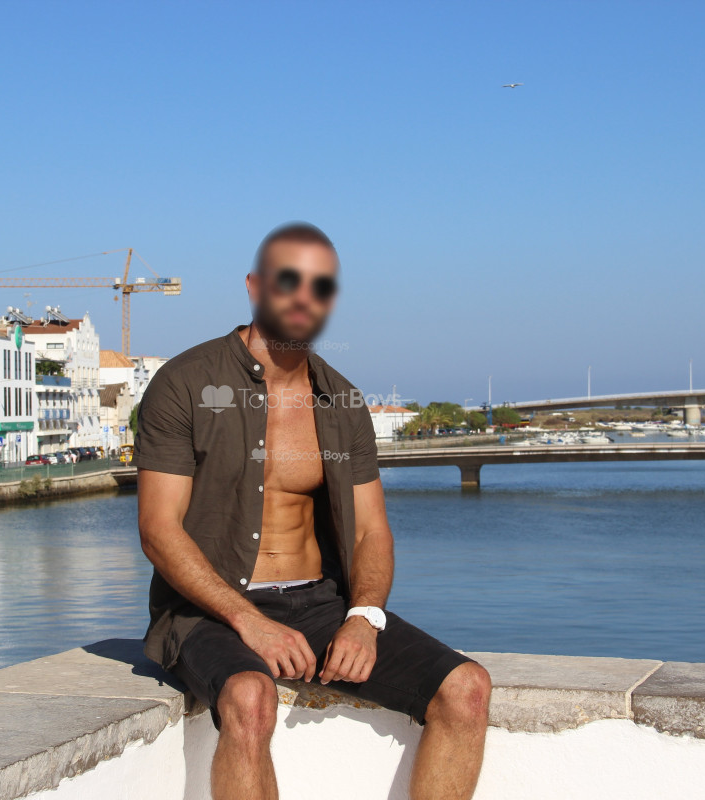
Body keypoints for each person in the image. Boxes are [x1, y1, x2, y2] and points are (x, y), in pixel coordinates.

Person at [133, 222, 491, 799]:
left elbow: (371, 530)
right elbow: (158, 529)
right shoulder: (186, 384)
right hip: (208, 610)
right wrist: (249, 621)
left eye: (320, 286)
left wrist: (364, 617)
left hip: (318, 604)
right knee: (250, 698)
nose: (304, 296)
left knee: (467, 689)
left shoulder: (343, 402)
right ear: (255, 286)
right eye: (289, 280)